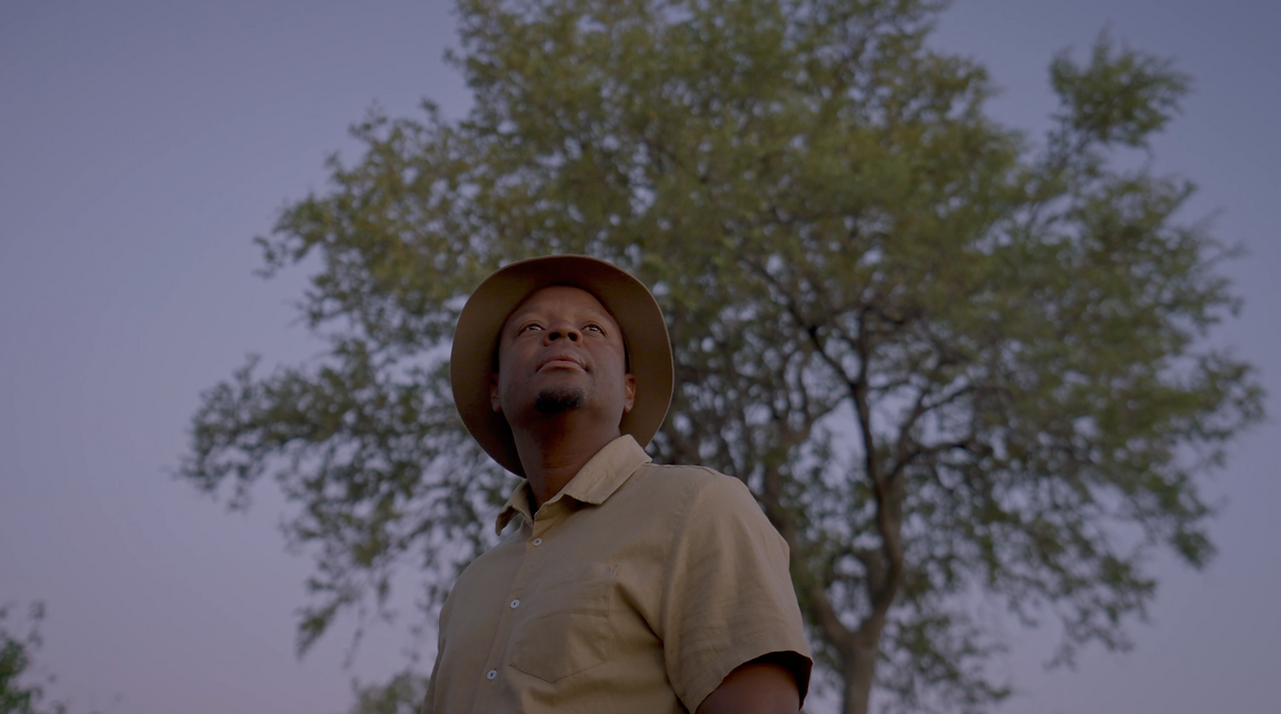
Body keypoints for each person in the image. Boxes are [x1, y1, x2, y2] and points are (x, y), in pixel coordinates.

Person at [423, 255, 812, 714]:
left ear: (629, 389)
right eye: (530, 328)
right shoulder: (471, 586)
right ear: (494, 389)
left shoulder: (698, 507)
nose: (562, 333)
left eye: (592, 329)